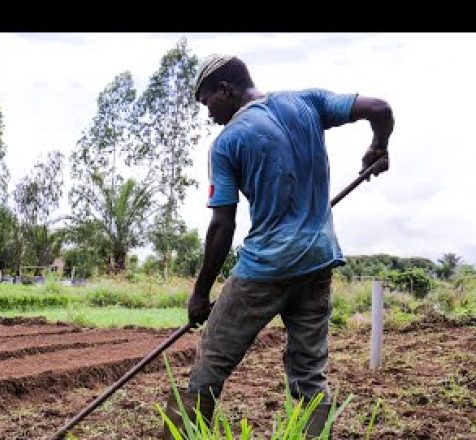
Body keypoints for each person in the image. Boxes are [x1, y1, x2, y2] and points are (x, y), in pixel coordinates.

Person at [161, 53, 394, 438]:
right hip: (318, 261)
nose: (208, 114)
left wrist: (200, 294)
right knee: (309, 375)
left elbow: (222, 224)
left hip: (263, 270)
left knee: (209, 366)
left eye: (207, 103)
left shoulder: (227, 143)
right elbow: (379, 108)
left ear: (226, 89)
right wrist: (379, 146)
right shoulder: (308, 102)